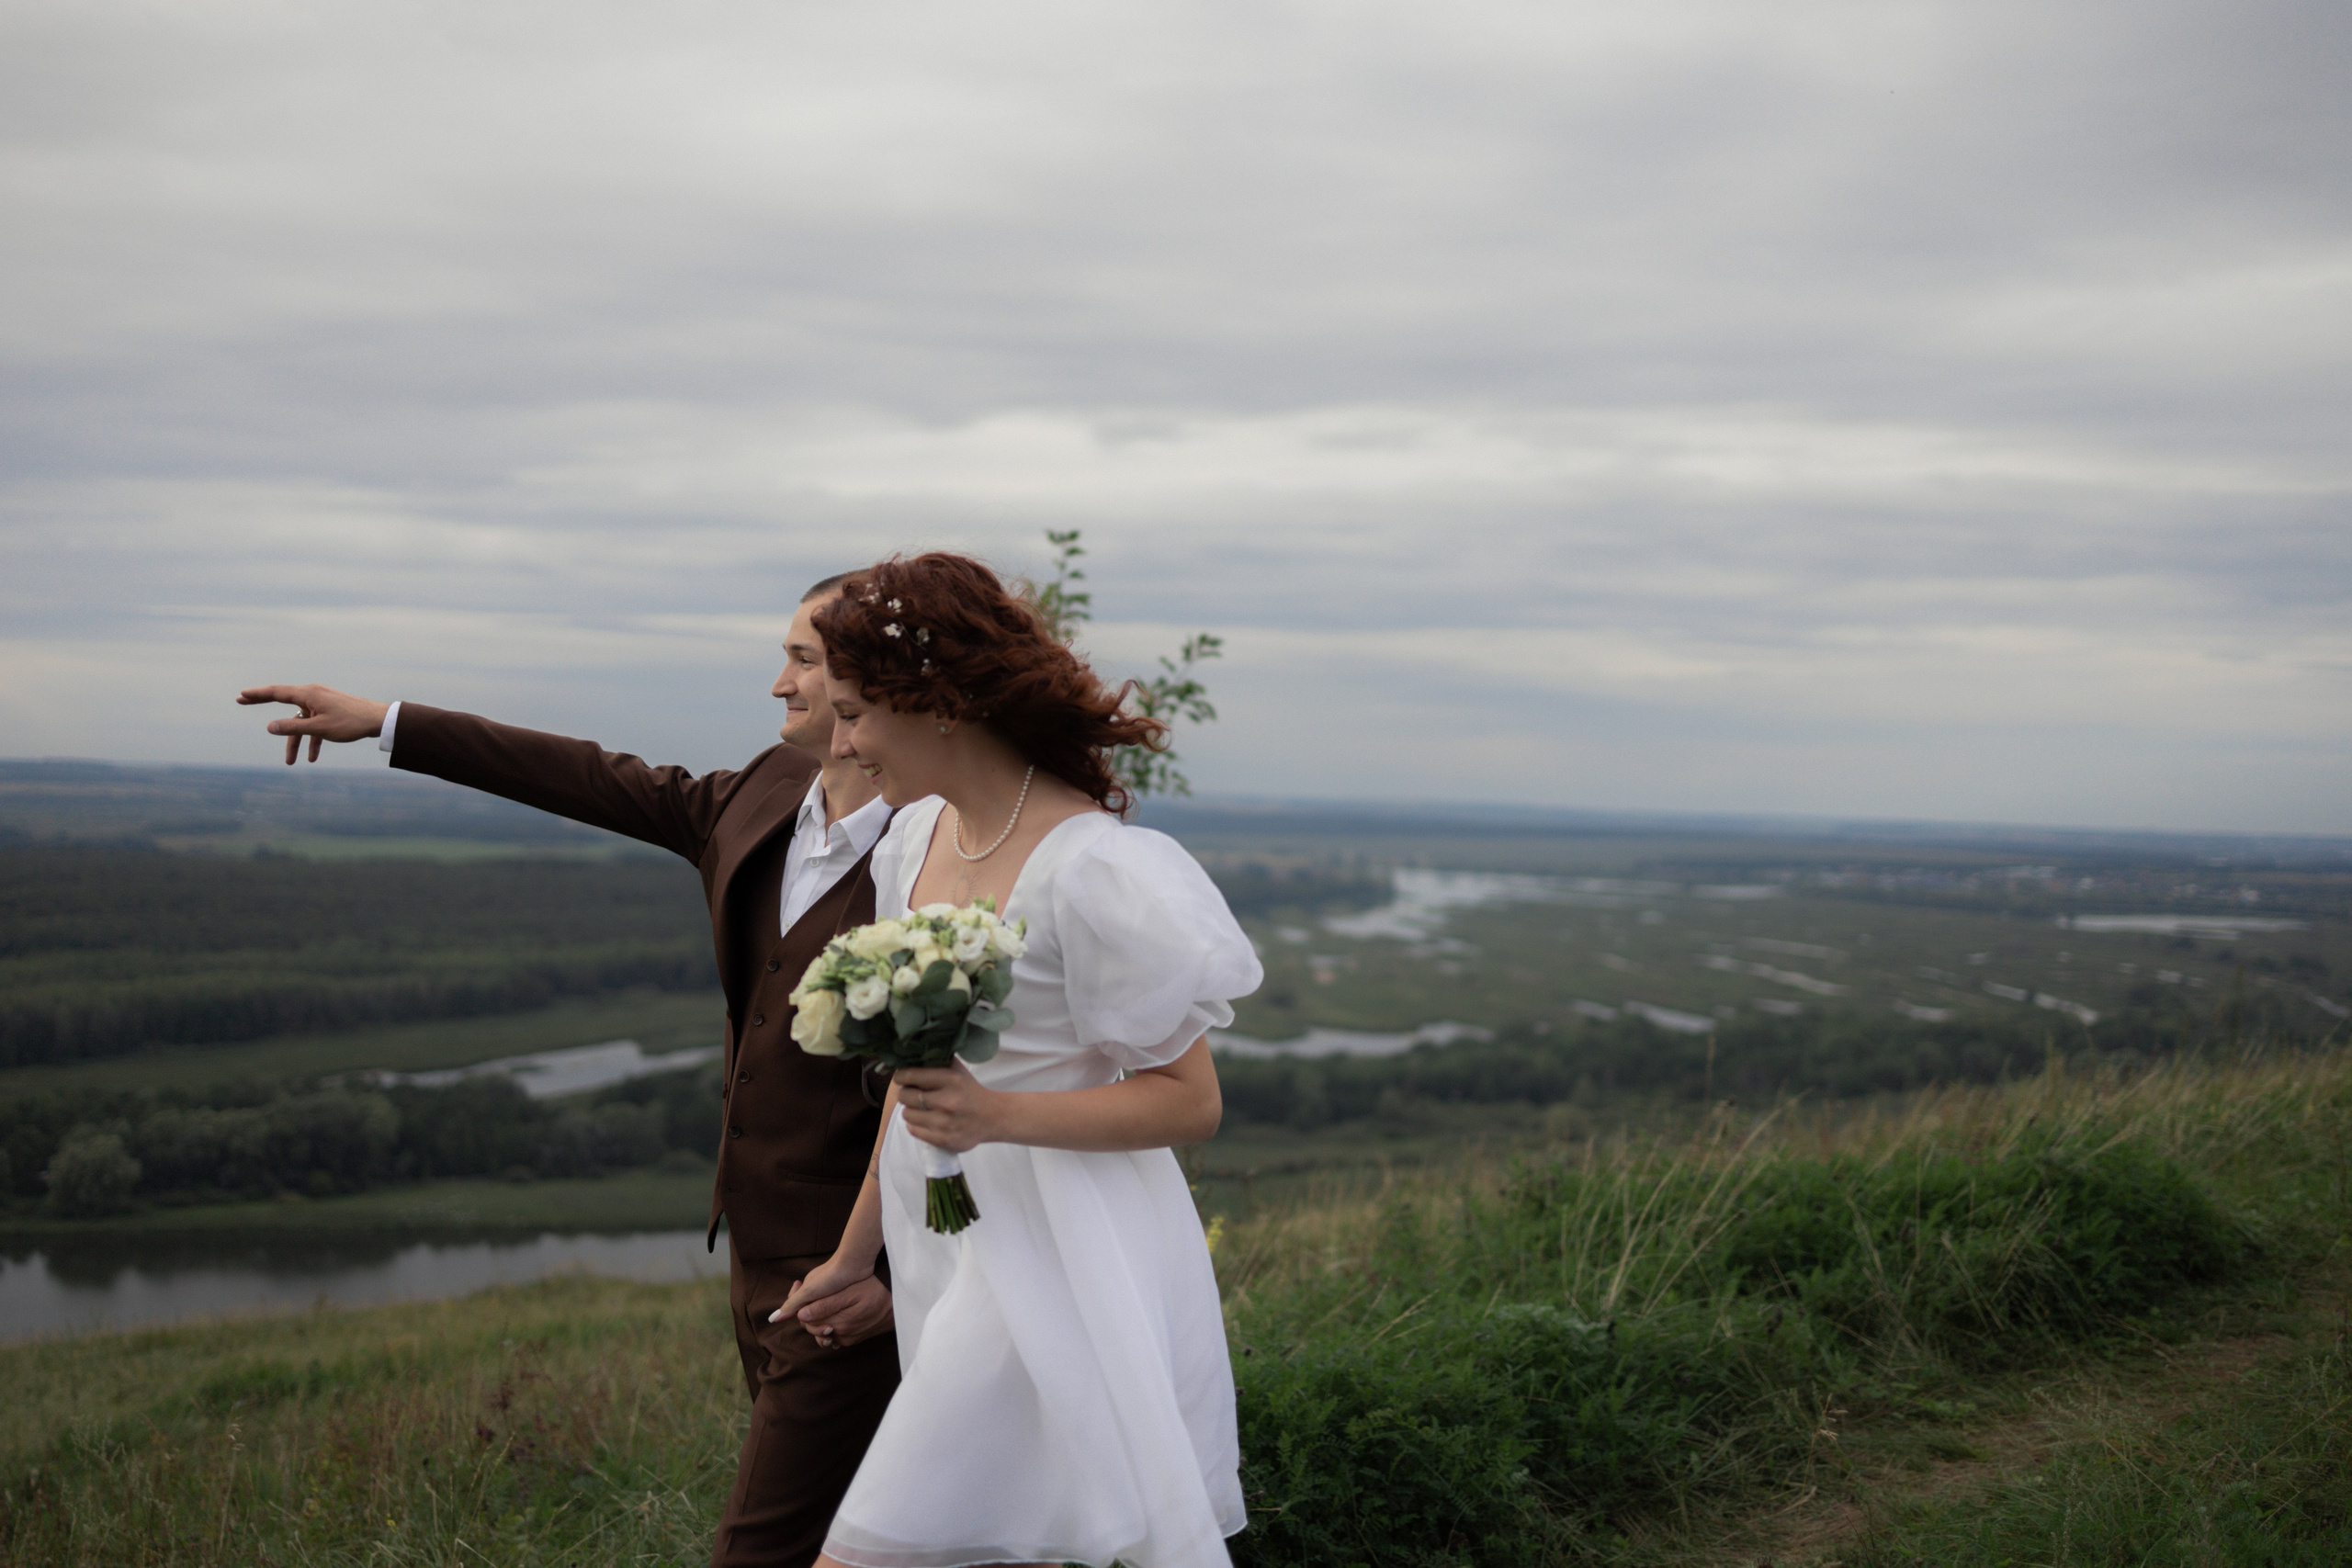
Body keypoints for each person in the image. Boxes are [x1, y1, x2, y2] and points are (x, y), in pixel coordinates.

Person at [237, 575, 903, 1568]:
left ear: (877, 681)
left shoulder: (944, 847)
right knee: (860, 1538)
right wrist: (388, 723)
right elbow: (587, 775)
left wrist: (895, 1267)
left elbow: (966, 1079)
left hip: (857, 1277)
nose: (778, 683)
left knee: (762, 1547)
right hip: (756, 1247)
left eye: (803, 659)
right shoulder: (762, 794)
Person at [776, 553, 1261, 1568]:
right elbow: (918, 1092)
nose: (845, 741)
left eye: (860, 712)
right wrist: (856, 1251)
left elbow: (1190, 1101)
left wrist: (999, 1116)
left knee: (883, 1545)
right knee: (1019, 1537)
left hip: (1061, 1245)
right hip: (945, 1236)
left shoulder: (1095, 869)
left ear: (939, 704)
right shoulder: (913, 840)